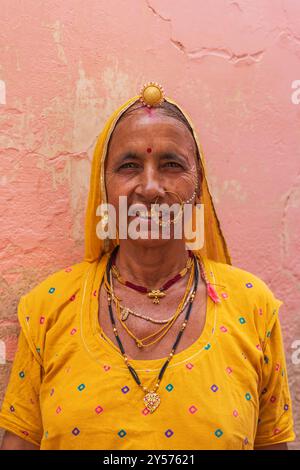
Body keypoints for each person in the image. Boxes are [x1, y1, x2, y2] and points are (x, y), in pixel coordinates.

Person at [0, 82, 295, 450]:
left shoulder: (251, 306)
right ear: (103, 187)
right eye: (129, 166)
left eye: (171, 165)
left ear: (198, 183)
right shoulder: (49, 307)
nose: (151, 187)